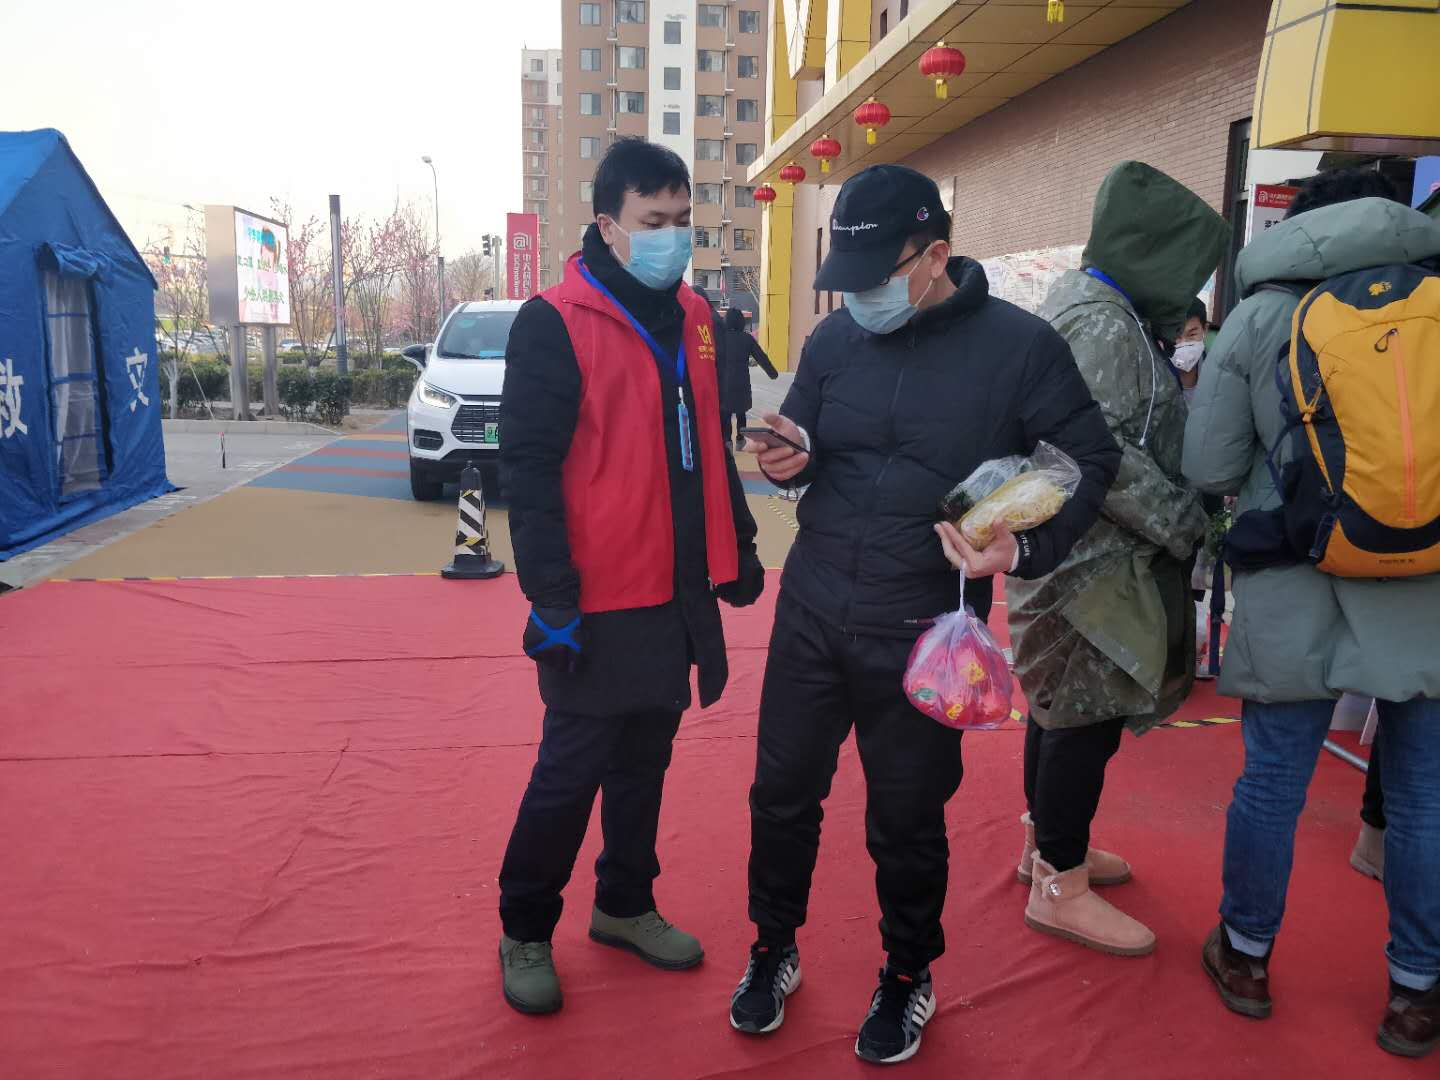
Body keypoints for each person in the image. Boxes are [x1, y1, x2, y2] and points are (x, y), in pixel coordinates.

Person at [728, 164, 1119, 1065]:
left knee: (905, 817)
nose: (857, 298)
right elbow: (810, 443)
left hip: (924, 628)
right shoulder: (836, 341)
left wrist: (1023, 551)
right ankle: (772, 948)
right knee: (781, 796)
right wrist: (790, 458)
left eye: (876, 278)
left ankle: (908, 973)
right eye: (846, 281)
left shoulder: (1020, 347)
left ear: (935, 255)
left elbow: (1089, 459)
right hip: (813, 607)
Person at [495, 138, 766, 1016]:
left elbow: (708, 445)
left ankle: (623, 902)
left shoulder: (694, 316)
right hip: (594, 597)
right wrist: (551, 598)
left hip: (673, 590)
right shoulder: (554, 322)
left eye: (683, 220)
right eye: (654, 221)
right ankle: (525, 927)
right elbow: (528, 472)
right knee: (570, 770)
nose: (672, 237)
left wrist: (739, 548)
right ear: (608, 224)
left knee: (646, 760)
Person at [1184, 167, 1440, 1057]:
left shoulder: (1261, 317)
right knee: (1423, 800)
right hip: (1428, 592)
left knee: (1272, 785)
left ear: (1301, 227)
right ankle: (1416, 993)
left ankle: (1246, 957)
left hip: (1294, 585)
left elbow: (1211, 465)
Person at [1002, 161, 1224, 958]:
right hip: (1091, 565)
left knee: (1058, 709)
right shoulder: (1100, 322)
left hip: (1078, 554)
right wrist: (1184, 522)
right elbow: (1103, 451)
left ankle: (1047, 848)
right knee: (1082, 719)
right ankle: (1060, 882)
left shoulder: (1096, 306)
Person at [719, 306, 778, 450]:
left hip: (724, 382)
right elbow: (761, 357)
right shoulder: (747, 338)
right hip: (742, 382)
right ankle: (740, 440)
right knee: (741, 412)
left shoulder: (720, 338)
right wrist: (773, 373)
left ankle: (727, 441)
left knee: (725, 413)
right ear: (741, 322)